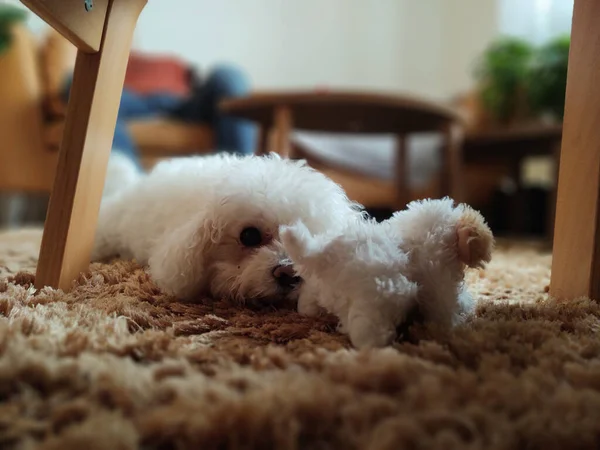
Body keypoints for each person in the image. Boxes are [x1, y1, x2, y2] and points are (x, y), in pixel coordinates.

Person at [61, 64, 257, 168]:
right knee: (82, 83)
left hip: (181, 102)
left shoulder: (173, 67)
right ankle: (123, 180)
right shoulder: (108, 46)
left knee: (228, 74)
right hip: (128, 100)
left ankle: (240, 180)